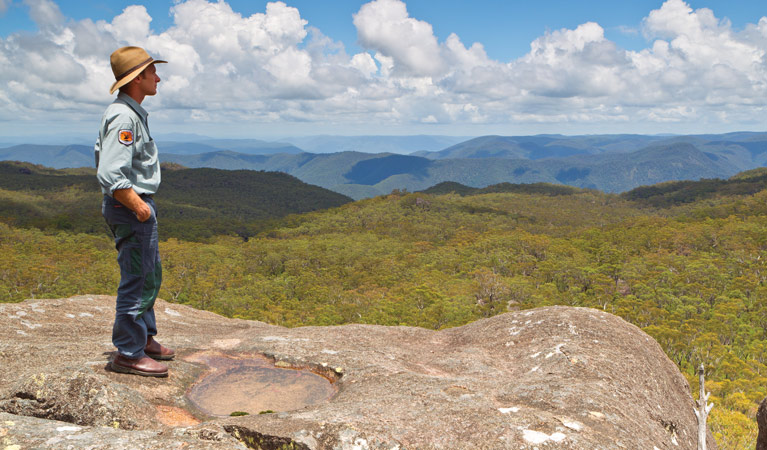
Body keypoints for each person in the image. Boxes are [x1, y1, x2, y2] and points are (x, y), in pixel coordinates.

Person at [95, 46, 174, 377]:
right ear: (138, 78)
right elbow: (112, 173)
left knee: (149, 274)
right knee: (137, 278)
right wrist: (140, 207)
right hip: (130, 207)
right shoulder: (125, 117)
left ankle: (144, 339)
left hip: (134, 207)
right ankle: (128, 352)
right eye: (152, 72)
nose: (158, 77)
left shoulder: (132, 113)